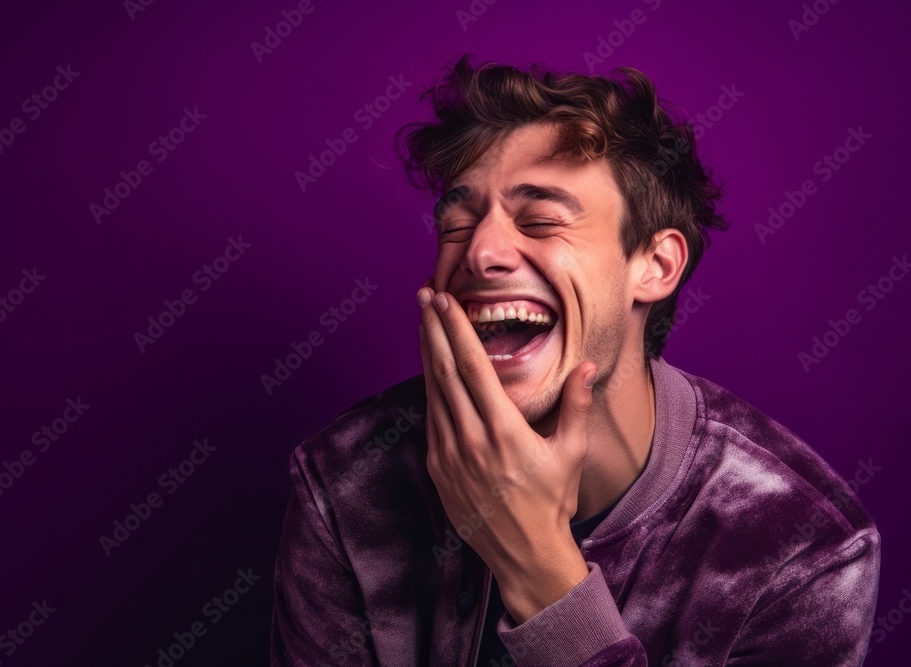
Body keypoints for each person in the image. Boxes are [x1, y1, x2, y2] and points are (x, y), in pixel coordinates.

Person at [270, 54, 880, 666]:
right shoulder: (346, 481)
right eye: (456, 226)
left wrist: (541, 572)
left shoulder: (802, 548)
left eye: (539, 220)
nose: (479, 252)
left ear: (655, 265)